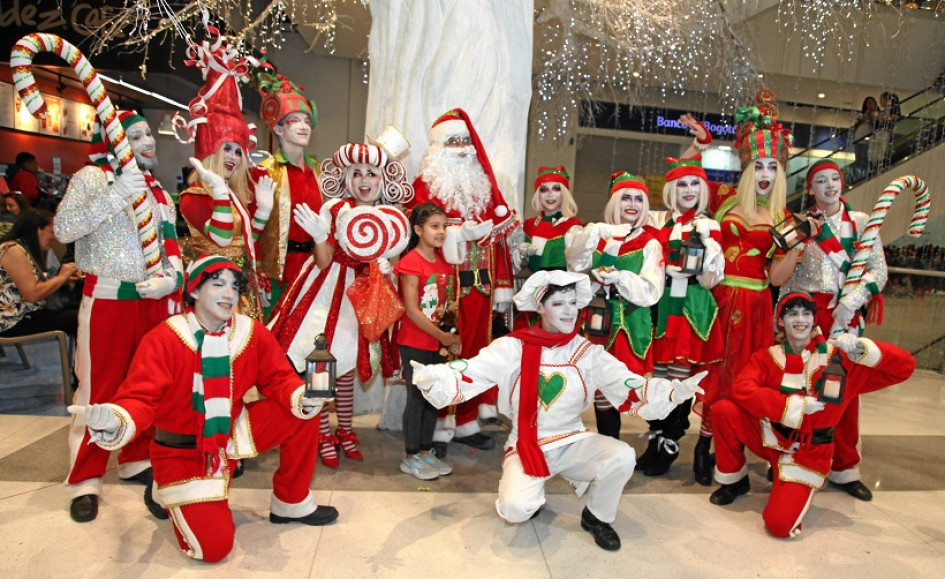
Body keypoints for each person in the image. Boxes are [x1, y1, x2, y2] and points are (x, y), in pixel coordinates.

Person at [68, 255, 337, 563]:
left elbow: (279, 379)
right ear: (194, 291)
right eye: (218, 284)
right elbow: (139, 398)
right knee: (214, 550)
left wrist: (301, 396)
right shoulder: (164, 338)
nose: (228, 295)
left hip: (230, 432)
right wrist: (117, 420)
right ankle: (164, 491)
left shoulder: (250, 332)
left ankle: (291, 500)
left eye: (234, 288)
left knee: (302, 411)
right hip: (182, 453)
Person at [409, 271, 705, 551]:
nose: (568, 311)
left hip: (572, 440)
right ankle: (531, 496)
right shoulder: (512, 347)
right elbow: (472, 369)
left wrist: (669, 390)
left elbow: (625, 381)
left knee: (622, 455)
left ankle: (597, 517)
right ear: (539, 306)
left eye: (573, 303)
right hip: (527, 444)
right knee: (515, 510)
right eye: (558, 303)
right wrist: (436, 375)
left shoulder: (586, 352)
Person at [54, 110, 184, 523]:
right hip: (108, 301)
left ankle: (135, 457)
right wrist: (116, 193)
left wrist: (172, 278)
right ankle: (85, 480)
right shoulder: (92, 179)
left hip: (153, 303)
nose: (150, 141)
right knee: (99, 390)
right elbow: (64, 229)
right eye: (138, 135)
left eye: (150, 134)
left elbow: (170, 243)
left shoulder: (158, 189)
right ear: (114, 141)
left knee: (148, 388)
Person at [708, 292, 914, 538]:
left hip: (808, 452)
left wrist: (862, 348)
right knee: (723, 410)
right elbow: (742, 389)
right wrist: (794, 406)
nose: (800, 319)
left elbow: (905, 367)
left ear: (815, 320)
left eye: (806, 313)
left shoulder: (839, 360)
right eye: (792, 313)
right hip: (772, 437)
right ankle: (735, 481)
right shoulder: (767, 357)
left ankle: (792, 488)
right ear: (781, 321)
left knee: (779, 525)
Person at [268, 142, 413, 468]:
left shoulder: (390, 217)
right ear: (345, 177)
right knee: (321, 366)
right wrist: (321, 236)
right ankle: (320, 433)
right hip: (327, 290)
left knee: (347, 368)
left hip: (363, 296)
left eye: (371, 174)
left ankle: (344, 430)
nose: (364, 180)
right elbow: (322, 262)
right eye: (357, 173)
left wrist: (388, 265)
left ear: (382, 179)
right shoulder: (334, 209)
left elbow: (393, 258)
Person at [769, 159, 888, 501]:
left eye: (834, 178)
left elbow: (877, 271)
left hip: (846, 315)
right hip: (805, 316)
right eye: (820, 180)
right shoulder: (796, 225)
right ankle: (790, 455)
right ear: (810, 188)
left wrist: (854, 299)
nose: (829, 185)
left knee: (846, 392)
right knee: (797, 386)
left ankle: (846, 468)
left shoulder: (863, 222)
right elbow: (782, 278)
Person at [408, 108, 519, 455]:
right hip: (444, 289)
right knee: (444, 353)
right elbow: (419, 239)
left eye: (465, 141)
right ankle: (439, 425)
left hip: (481, 287)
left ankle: (467, 420)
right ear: (438, 147)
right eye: (453, 141)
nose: (461, 148)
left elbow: (498, 238)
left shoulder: (484, 186)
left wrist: (502, 283)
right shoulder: (424, 186)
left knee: (476, 353)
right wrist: (457, 232)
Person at [698, 90, 793, 486]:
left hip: (756, 303)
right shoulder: (723, 200)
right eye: (760, 165)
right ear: (749, 167)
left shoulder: (783, 215)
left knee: (751, 377)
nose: (767, 173)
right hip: (718, 300)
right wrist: (699, 144)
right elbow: (686, 184)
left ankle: (741, 447)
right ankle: (704, 446)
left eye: (773, 165)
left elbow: (776, 278)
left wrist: (797, 244)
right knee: (716, 372)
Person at [178, 33, 276, 320]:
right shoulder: (194, 197)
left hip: (239, 287)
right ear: (209, 150)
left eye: (238, 150)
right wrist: (219, 194)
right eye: (226, 149)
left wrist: (262, 213)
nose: (233, 157)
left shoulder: (232, 195)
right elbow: (220, 240)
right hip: (213, 293)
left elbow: (241, 242)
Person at [641, 156, 725, 477]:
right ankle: (655, 441)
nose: (688, 190)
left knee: (678, 379)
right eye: (682, 184)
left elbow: (713, 277)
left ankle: (668, 445)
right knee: (659, 379)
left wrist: (706, 244)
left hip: (690, 307)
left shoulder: (707, 224)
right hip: (662, 306)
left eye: (694, 184)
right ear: (672, 189)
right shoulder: (661, 221)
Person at [567, 172, 664, 440]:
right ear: (614, 202)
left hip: (631, 326)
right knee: (599, 389)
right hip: (596, 324)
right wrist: (593, 234)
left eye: (637, 198)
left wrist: (620, 278)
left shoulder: (650, 243)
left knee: (623, 387)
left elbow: (652, 291)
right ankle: (609, 447)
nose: (631, 204)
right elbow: (574, 265)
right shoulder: (597, 235)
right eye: (625, 198)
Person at [394, 202, 460, 480]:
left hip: (438, 343)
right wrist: (442, 336)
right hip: (415, 342)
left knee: (434, 398)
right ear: (418, 230)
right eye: (435, 226)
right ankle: (410, 456)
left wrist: (452, 337)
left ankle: (425, 450)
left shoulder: (444, 262)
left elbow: (446, 307)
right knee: (417, 399)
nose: (442, 231)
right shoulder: (410, 263)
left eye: (444, 226)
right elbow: (411, 310)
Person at [253, 66, 323, 317]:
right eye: (295, 121)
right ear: (279, 129)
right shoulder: (263, 172)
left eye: (306, 120)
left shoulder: (320, 173)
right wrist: (257, 273)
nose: (304, 126)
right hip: (277, 274)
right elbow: (250, 233)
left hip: (314, 268)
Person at [0, 208, 80, 337]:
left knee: (84, 310)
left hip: (24, 313)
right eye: (52, 232)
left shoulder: (19, 249)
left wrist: (64, 279)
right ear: (38, 229)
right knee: (82, 317)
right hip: (13, 320)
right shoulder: (13, 250)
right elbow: (32, 294)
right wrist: (62, 277)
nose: (54, 238)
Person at [514, 165, 583, 274]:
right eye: (544, 190)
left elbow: (579, 265)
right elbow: (517, 268)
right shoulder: (529, 226)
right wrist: (521, 255)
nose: (550, 195)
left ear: (564, 193)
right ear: (538, 194)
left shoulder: (572, 226)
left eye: (556, 189)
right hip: (532, 286)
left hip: (563, 287)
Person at [851, 96, 877, 182]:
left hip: (868, 140)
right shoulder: (862, 114)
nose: (869, 104)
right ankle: (858, 177)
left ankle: (865, 176)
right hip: (859, 138)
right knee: (858, 159)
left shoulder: (876, 114)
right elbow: (856, 124)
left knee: (865, 158)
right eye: (868, 103)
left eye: (871, 102)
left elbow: (875, 123)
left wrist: (871, 114)